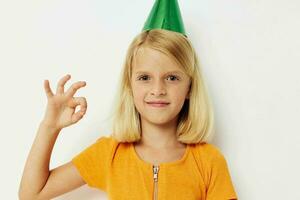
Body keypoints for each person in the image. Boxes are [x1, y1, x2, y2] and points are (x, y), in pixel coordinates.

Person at [19, 1, 238, 200]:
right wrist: (49, 127)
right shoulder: (109, 153)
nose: (158, 90)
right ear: (130, 86)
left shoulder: (209, 161)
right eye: (145, 78)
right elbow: (31, 194)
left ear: (190, 87)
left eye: (172, 78)